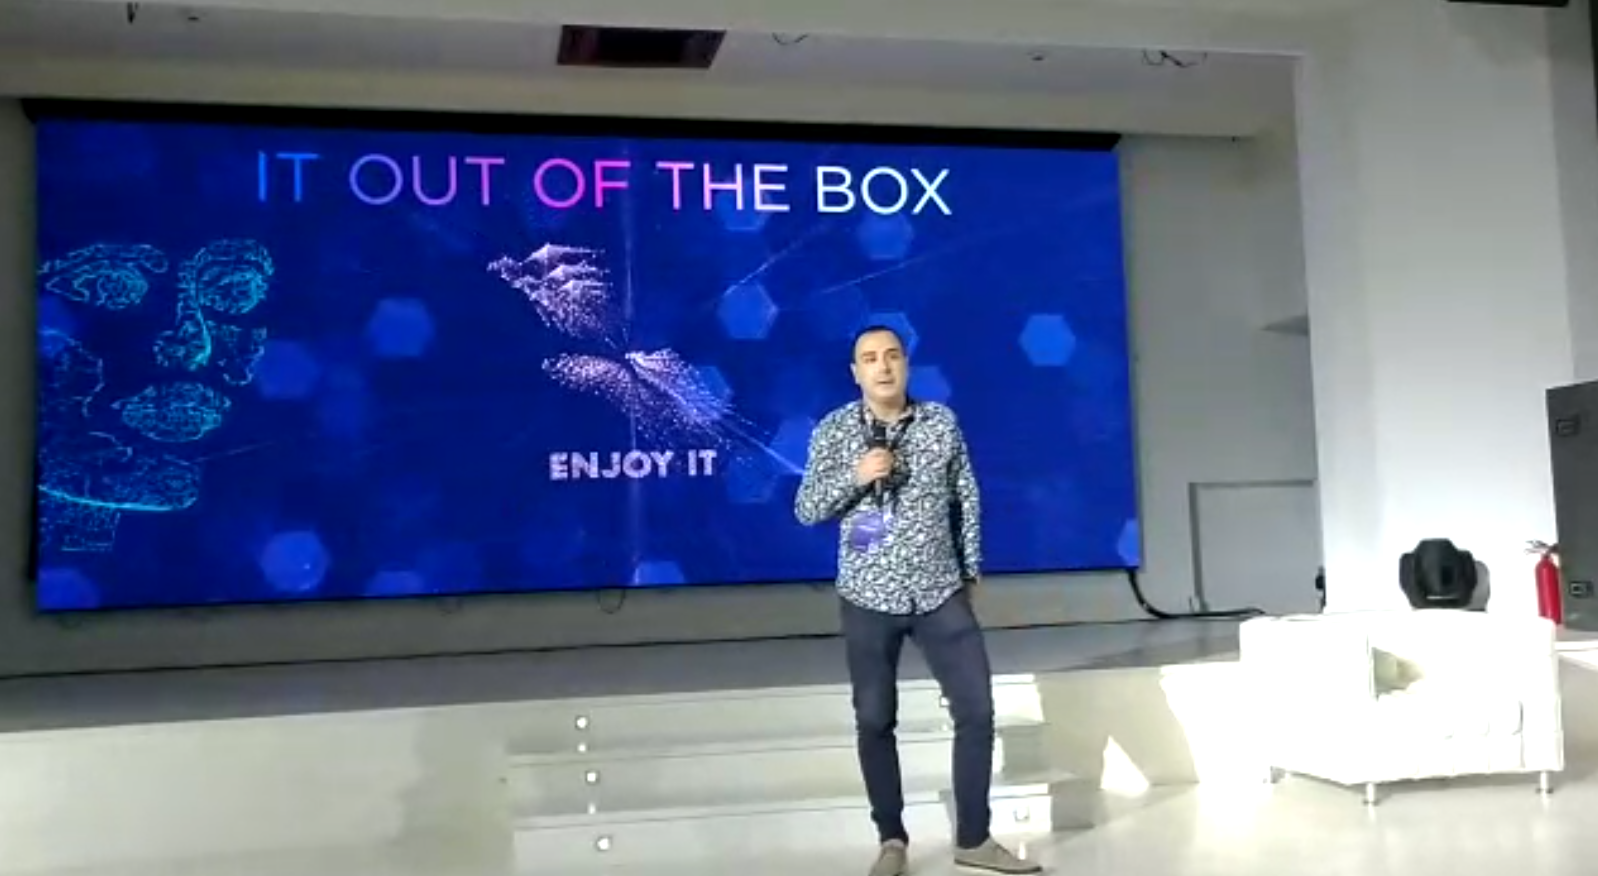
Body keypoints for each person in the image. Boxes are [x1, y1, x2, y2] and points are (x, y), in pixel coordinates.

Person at [795, 325, 1042, 876]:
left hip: (939, 592)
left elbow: (966, 497)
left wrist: (970, 568)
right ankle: (891, 841)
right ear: (855, 372)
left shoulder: (940, 423)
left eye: (892, 356)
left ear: (906, 364)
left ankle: (973, 839)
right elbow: (807, 508)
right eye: (869, 359)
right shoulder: (834, 430)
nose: (882, 367)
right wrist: (857, 476)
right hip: (868, 594)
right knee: (875, 718)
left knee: (977, 710)